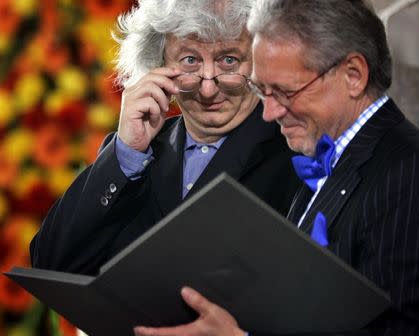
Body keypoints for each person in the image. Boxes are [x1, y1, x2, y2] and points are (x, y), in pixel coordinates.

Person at [132, 1, 419, 336]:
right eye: (261, 90)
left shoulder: (416, 176)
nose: (269, 113)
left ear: (353, 75)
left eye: (284, 92)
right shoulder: (325, 162)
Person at [30, 0, 299, 276]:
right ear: (158, 65)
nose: (207, 88)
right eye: (190, 61)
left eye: (229, 60)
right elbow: (50, 263)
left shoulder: (297, 154)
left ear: (263, 61)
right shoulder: (132, 156)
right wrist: (126, 153)